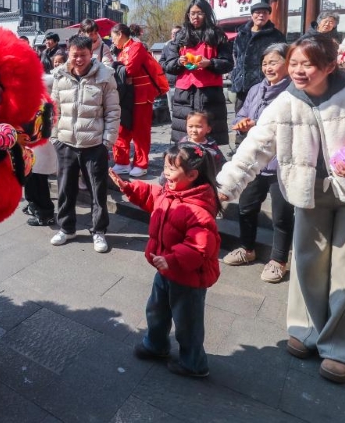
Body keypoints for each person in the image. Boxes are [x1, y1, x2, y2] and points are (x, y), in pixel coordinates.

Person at [216, 33, 345, 384]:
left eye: (307, 64)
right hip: (309, 194)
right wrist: (221, 189)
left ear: (330, 65)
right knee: (308, 262)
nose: (297, 71)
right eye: (293, 63)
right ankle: (306, 328)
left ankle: (344, 346)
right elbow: (254, 149)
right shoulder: (284, 103)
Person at [110, 142, 221, 378]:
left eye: (171, 169)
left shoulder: (198, 210)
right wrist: (129, 188)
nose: (165, 173)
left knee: (187, 323)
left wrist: (172, 259)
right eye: (165, 167)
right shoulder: (170, 192)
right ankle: (156, 345)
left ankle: (194, 363)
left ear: (192, 175)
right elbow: (152, 196)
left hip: (188, 278)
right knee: (156, 310)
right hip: (165, 269)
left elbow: (199, 245)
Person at [222, 43, 294, 283]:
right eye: (265, 63)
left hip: (282, 162)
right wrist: (243, 122)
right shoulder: (255, 89)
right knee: (246, 207)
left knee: (282, 215)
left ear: (287, 62)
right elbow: (242, 114)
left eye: (273, 62)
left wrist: (259, 125)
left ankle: (279, 260)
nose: (268, 67)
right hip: (254, 160)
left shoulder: (294, 92)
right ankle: (246, 248)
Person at [50, 35, 120, 253]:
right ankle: (66, 228)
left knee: (97, 191)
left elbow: (113, 111)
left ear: (92, 53)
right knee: (65, 189)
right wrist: (54, 136)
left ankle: (98, 231)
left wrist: (107, 141)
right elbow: (54, 109)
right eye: (74, 55)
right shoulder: (60, 76)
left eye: (83, 55)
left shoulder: (105, 76)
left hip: (94, 143)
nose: (78, 59)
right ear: (68, 54)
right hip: (66, 142)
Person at [162, 0, 233, 145]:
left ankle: (210, 163)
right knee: (184, 138)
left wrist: (210, 63)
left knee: (210, 137)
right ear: (188, 15)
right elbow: (167, 65)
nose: (195, 17)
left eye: (200, 13)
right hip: (184, 94)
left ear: (207, 14)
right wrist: (178, 62)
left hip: (210, 93)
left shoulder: (217, 35)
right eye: (192, 13)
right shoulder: (180, 36)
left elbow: (228, 64)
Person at [110, 23, 169, 178]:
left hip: (141, 95)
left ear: (120, 34)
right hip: (126, 96)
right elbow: (124, 72)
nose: (112, 40)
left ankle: (141, 164)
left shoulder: (137, 47)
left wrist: (116, 67)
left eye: (113, 36)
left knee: (140, 131)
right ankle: (122, 162)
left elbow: (130, 70)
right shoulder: (123, 51)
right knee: (122, 129)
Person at [229, 2, 286, 120]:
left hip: (263, 84)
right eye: (258, 12)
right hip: (242, 85)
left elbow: (283, 57)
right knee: (240, 118)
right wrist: (235, 74)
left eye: (265, 13)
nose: (261, 15)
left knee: (261, 118)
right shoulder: (242, 33)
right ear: (252, 15)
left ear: (269, 16)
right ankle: (241, 139)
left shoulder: (276, 36)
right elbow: (235, 54)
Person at [24, 71, 58, 226]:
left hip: (40, 147)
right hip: (28, 148)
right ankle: (34, 205)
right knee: (30, 179)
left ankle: (45, 214)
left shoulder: (43, 98)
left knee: (38, 181)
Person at [159, 25, 182, 118]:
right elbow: (161, 62)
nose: (174, 35)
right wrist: (168, 66)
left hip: (182, 80)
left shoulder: (186, 45)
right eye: (172, 33)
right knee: (172, 107)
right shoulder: (167, 46)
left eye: (176, 33)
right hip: (171, 81)